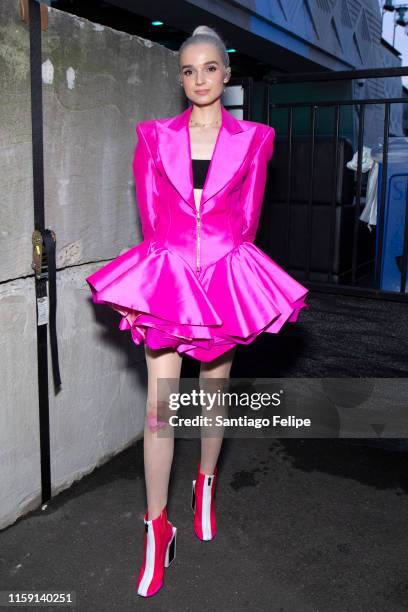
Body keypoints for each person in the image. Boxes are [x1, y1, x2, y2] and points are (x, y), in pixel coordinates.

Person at [85, 25, 310, 597]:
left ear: (226, 74)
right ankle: (157, 527)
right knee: (161, 411)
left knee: (214, 392)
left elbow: (250, 220)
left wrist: (230, 275)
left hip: (227, 278)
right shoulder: (153, 136)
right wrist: (174, 272)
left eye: (210, 68)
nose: (199, 79)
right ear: (180, 77)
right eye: (188, 70)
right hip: (170, 281)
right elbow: (152, 217)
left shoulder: (257, 138)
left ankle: (206, 482)